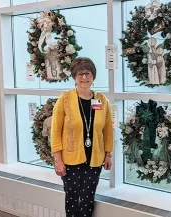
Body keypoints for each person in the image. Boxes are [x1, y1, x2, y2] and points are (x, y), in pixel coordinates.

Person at [51, 57, 113, 217]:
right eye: (80, 74)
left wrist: (108, 154)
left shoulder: (101, 100)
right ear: (74, 77)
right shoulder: (65, 99)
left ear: (93, 76)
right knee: (72, 198)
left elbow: (107, 129)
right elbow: (55, 131)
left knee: (87, 198)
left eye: (87, 73)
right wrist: (58, 160)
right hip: (70, 160)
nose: (84, 78)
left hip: (94, 160)